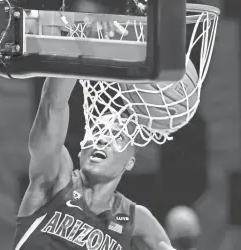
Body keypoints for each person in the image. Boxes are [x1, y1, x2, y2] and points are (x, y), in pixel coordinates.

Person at [12, 77, 176, 250]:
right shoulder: (55, 180)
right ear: (81, 150)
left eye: (117, 136)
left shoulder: (137, 219)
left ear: (130, 162)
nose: (103, 138)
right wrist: (69, 55)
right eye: (97, 131)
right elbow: (52, 103)